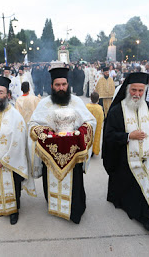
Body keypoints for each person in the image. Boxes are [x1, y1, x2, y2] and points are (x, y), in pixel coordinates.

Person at [28, 66, 96, 224]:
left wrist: (80, 132)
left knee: (75, 184)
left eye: (63, 84)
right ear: (51, 86)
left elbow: (90, 121)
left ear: (68, 84)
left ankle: (75, 210)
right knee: (51, 182)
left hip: (73, 155)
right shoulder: (44, 104)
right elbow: (32, 125)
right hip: (51, 155)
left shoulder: (76, 101)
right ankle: (55, 206)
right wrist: (46, 134)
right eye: (57, 85)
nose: (61, 88)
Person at [102, 72, 149, 232]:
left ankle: (145, 217)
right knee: (126, 185)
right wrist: (128, 136)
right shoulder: (116, 111)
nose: (137, 94)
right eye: (134, 90)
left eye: (141, 91)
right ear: (127, 90)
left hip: (144, 158)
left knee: (140, 189)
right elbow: (108, 135)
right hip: (123, 158)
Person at [0, 76, 36, 225]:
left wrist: (4, 160)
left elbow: (19, 141)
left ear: (8, 95)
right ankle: (1, 207)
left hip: (10, 163)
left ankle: (13, 211)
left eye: (1, 92)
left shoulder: (16, 116)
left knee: (14, 188)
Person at [86, 91, 104, 156]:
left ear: (90, 98)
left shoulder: (87, 106)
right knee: (95, 137)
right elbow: (102, 118)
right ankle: (93, 151)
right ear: (98, 99)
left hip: (88, 126)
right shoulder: (99, 108)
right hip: (96, 127)